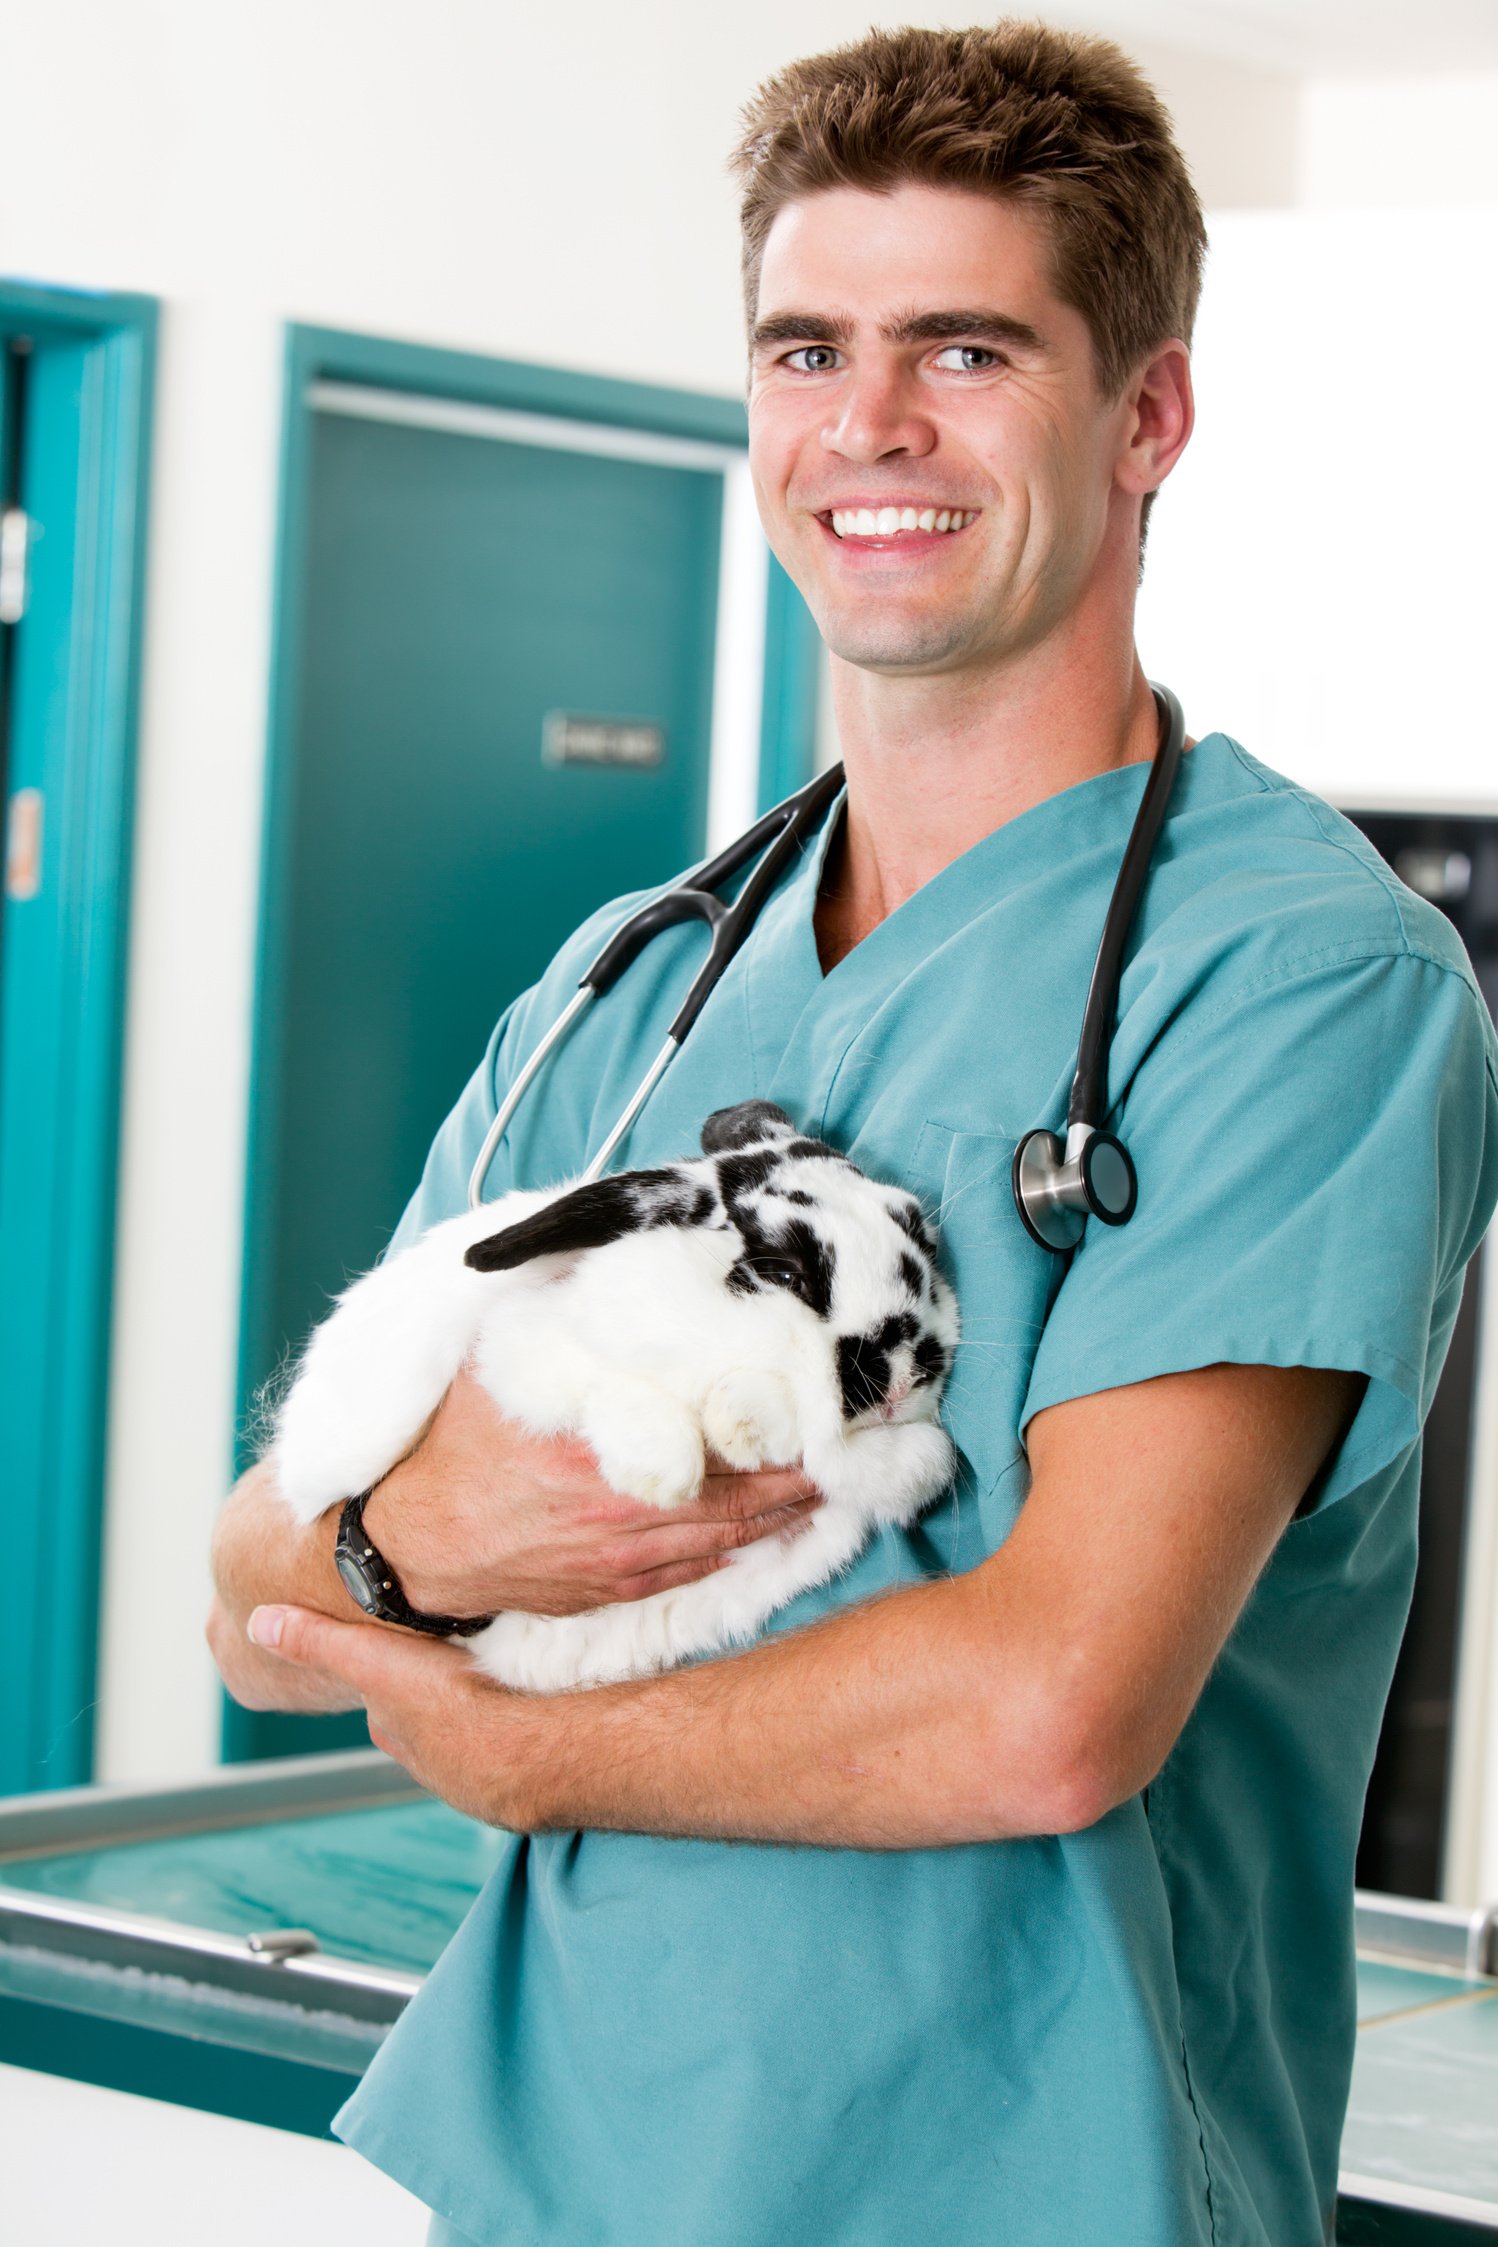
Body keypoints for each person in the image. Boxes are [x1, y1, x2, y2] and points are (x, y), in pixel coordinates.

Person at [209, 22, 1498, 2247]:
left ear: (1147, 414)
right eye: (804, 347)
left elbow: (1045, 1705)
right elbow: (247, 1586)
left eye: (965, 347)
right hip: (561, 2178)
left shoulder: (1300, 983)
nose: (867, 424)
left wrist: (507, 1736)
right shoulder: (634, 981)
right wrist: (407, 1548)